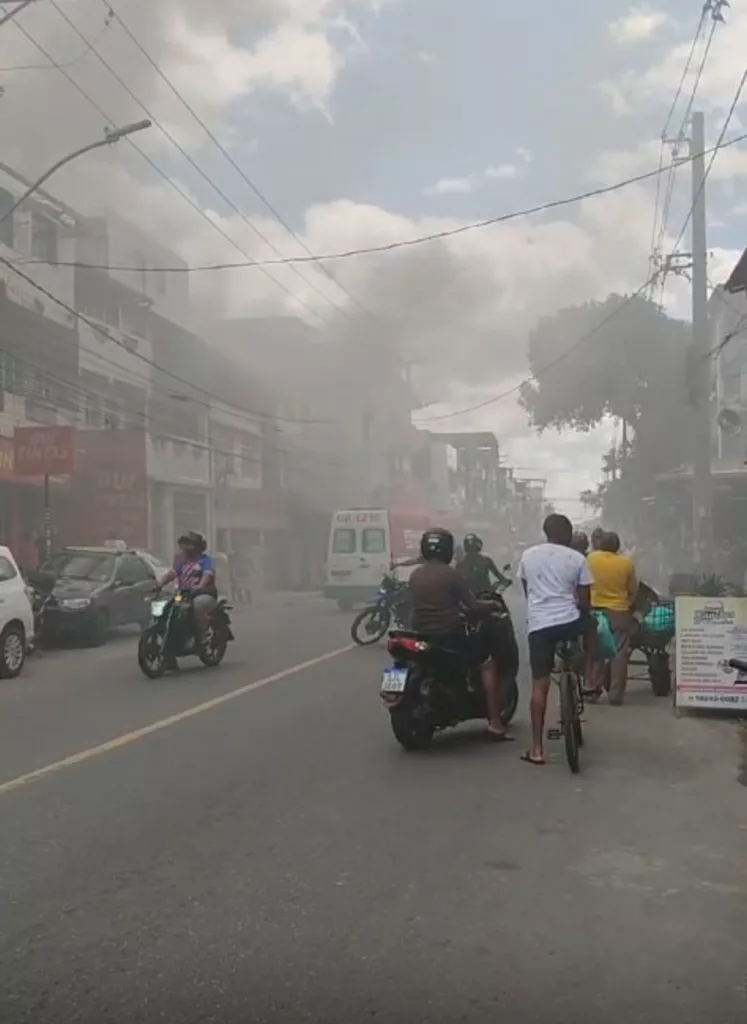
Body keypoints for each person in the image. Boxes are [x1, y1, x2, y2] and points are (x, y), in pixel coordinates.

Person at [409, 528, 513, 740]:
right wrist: (492, 604)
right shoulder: (451, 574)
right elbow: (473, 605)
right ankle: (494, 721)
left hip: (420, 634)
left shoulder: (416, 575)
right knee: (487, 663)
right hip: (448, 636)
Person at [517, 513, 594, 766]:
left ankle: (538, 749)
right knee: (592, 624)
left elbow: (528, 591)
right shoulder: (577, 558)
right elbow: (584, 602)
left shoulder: (528, 556)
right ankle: (588, 673)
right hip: (569, 623)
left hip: (539, 626)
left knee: (539, 687)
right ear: (569, 533)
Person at [586, 531, 637, 705]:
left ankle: (592, 689)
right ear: (618, 547)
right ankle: (615, 696)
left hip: (595, 610)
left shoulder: (591, 559)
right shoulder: (626, 563)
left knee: (596, 650)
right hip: (620, 612)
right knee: (619, 654)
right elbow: (633, 590)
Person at [157, 531, 217, 642]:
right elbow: (173, 573)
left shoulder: (206, 560)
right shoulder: (182, 561)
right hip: (184, 594)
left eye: (189, 544)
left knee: (197, 605)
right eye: (185, 544)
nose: (185, 548)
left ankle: (202, 634)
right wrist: (160, 584)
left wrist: (200, 586)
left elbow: (207, 574)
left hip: (203, 594)